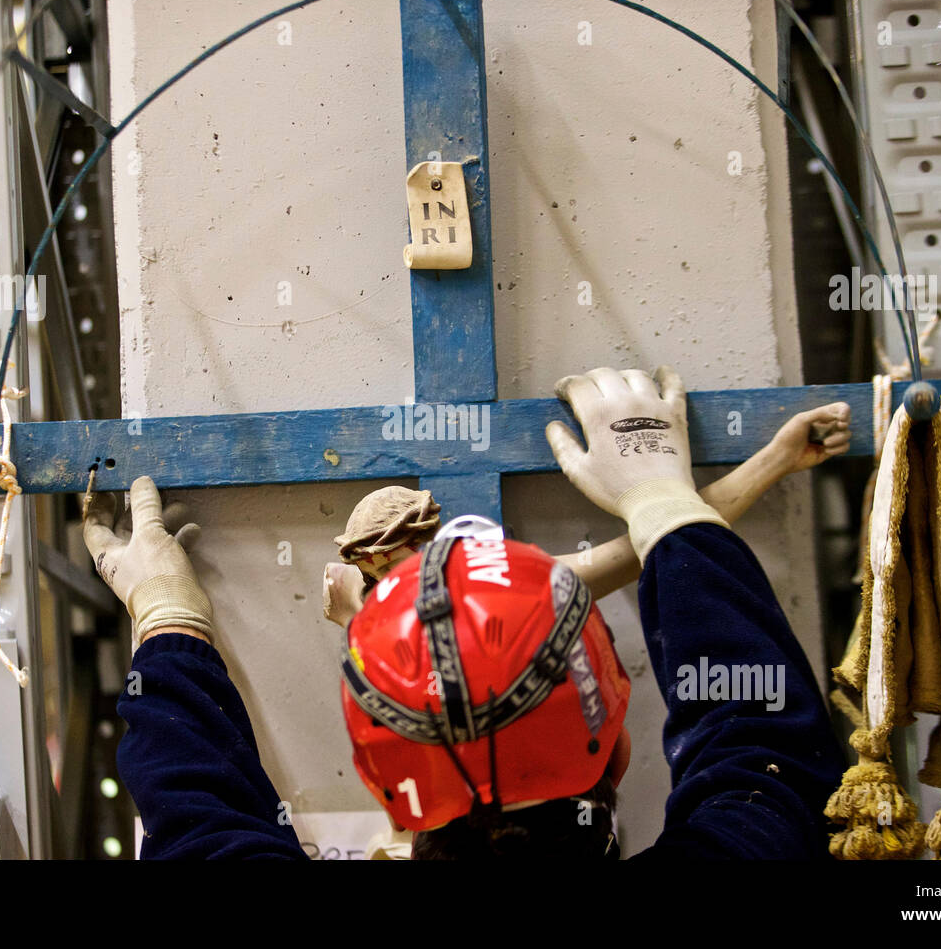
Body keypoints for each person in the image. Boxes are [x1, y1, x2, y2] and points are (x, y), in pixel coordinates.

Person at [84, 366, 847, 859]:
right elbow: (761, 753)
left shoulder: (371, 622)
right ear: (614, 749)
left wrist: (168, 616)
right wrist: (663, 502)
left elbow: (193, 809)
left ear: (385, 787)